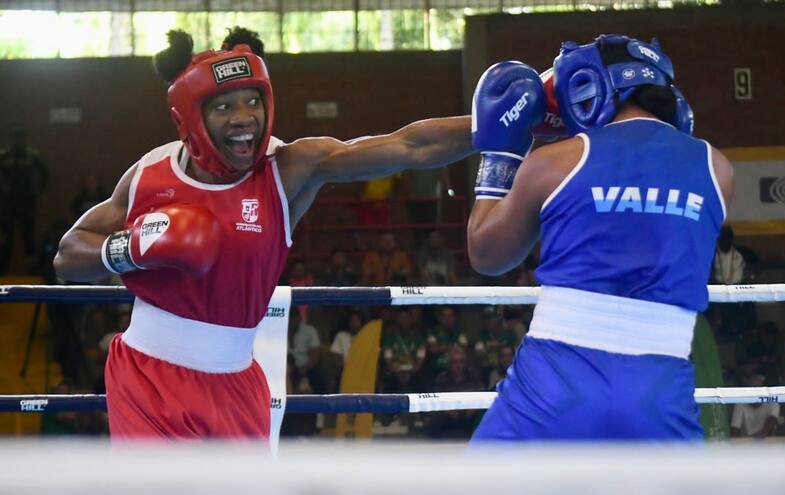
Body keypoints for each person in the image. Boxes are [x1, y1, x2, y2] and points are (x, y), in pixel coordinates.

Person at [52, 28, 473, 441]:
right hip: (145, 376)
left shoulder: (287, 168)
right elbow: (67, 257)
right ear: (190, 117)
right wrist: (130, 248)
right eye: (223, 107)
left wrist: (493, 126)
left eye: (253, 101)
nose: (243, 118)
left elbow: (409, 146)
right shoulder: (149, 175)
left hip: (235, 380)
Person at [467, 34, 733, 441]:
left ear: (585, 87)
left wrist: (499, 156)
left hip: (553, 382)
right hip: (661, 389)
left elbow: (487, 255)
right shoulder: (718, 170)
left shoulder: (554, 163)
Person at [0, 127, 49, 273]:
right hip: (7, 203)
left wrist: (39, 190)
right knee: (6, 237)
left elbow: (45, 174)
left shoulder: (31, 155)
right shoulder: (3, 155)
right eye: (15, 139)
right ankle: (3, 271)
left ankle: (32, 272)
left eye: (21, 139)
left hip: (27, 201)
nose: (18, 142)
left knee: (29, 236)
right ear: (11, 140)